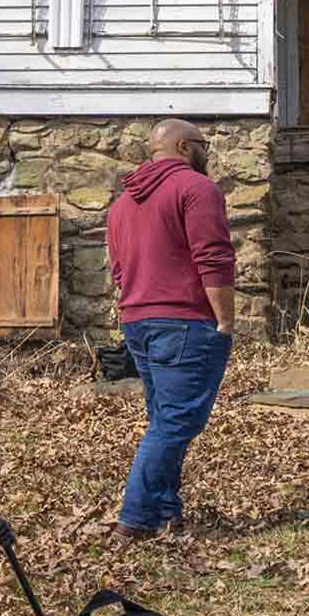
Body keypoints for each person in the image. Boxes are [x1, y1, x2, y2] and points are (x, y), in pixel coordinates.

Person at [107, 118, 235, 538]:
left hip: (138, 321)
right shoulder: (196, 189)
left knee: (164, 417)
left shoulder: (123, 203)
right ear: (183, 147)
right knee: (176, 422)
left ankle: (165, 511)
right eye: (203, 144)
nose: (207, 152)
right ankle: (137, 518)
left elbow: (120, 271)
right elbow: (213, 257)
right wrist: (225, 320)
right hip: (184, 321)